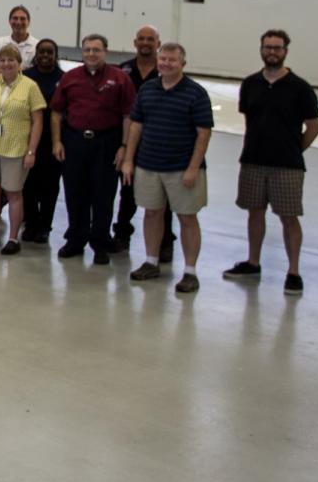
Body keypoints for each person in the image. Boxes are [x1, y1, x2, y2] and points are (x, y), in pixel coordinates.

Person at [223, 30, 318, 296]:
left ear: (286, 51)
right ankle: (253, 262)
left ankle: (294, 271)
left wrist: (294, 149)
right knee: (254, 212)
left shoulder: (300, 88)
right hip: (253, 160)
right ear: (261, 50)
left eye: (277, 48)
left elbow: (313, 127)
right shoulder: (251, 83)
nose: (272, 52)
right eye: (267, 47)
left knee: (289, 217)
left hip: (287, 165)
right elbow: (250, 119)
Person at [122, 42, 212, 294]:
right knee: (152, 213)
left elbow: (203, 133)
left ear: (183, 63)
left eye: (172, 60)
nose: (166, 64)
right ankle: (151, 261)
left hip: (181, 169)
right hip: (149, 165)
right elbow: (136, 125)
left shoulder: (196, 93)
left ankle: (190, 271)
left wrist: (193, 168)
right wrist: (129, 160)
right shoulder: (148, 89)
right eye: (163, 60)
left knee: (187, 217)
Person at [52, 34, 136, 266]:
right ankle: (76, 239)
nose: (91, 54)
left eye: (96, 50)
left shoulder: (120, 79)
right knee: (74, 192)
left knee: (103, 194)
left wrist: (124, 146)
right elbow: (57, 112)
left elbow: (129, 115)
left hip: (107, 143)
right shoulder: (70, 78)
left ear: (105, 52)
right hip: (75, 141)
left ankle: (100, 242)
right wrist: (57, 142)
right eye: (87, 50)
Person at [0, 44, 46, 255]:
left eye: (11, 60)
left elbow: (37, 121)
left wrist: (31, 151)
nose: (6, 64)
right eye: (2, 60)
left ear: (19, 63)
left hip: (15, 148)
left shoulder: (30, 87)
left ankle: (13, 238)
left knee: (14, 193)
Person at [115, 25, 174, 260]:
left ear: (158, 43)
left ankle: (165, 241)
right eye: (141, 39)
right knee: (127, 192)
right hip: (129, 140)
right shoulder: (124, 70)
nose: (146, 43)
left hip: (159, 142)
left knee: (163, 196)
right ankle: (122, 234)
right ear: (135, 42)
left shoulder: (167, 71)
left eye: (151, 39)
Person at [21, 39, 64, 244]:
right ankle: (30, 223)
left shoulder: (63, 79)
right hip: (28, 139)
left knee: (50, 186)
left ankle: (45, 226)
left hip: (54, 140)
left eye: (50, 52)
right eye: (42, 52)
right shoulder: (26, 77)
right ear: (36, 54)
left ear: (56, 55)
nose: (45, 56)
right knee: (28, 184)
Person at [0, 5, 36, 70]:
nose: (18, 22)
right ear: (9, 21)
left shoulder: (37, 45)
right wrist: (10, 75)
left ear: (29, 22)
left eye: (22, 19)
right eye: (15, 18)